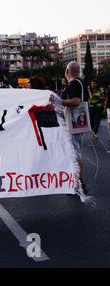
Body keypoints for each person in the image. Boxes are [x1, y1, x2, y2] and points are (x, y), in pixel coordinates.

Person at [61, 62, 90, 195]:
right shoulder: (81, 82)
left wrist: (58, 101)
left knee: (74, 152)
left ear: (68, 71)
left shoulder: (74, 84)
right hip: (79, 121)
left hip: (73, 122)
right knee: (73, 151)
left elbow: (76, 101)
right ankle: (76, 182)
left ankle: (79, 183)